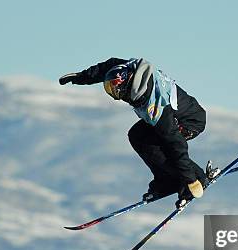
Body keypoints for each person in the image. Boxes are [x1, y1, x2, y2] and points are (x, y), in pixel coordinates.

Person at [59, 57, 217, 206]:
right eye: (110, 90)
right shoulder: (132, 70)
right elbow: (110, 67)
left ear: (127, 87)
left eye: (115, 91)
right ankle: (166, 181)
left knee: (159, 145)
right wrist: (82, 77)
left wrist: (190, 179)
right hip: (177, 116)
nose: (116, 96)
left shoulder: (155, 105)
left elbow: (176, 144)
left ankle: (195, 179)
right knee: (137, 136)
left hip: (190, 122)